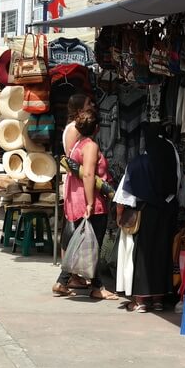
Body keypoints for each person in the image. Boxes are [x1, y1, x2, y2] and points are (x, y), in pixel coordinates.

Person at [114, 123, 185, 312]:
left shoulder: (137, 164)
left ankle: (141, 301)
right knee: (163, 254)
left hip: (145, 214)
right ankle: (158, 300)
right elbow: (180, 189)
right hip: (166, 214)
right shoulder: (172, 162)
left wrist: (119, 217)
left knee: (143, 256)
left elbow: (124, 196)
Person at [53, 109, 117, 300]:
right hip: (90, 202)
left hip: (76, 199)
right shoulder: (90, 146)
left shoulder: (76, 145)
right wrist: (90, 203)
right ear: (97, 128)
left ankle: (62, 281)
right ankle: (97, 287)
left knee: (80, 243)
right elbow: (89, 174)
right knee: (94, 245)